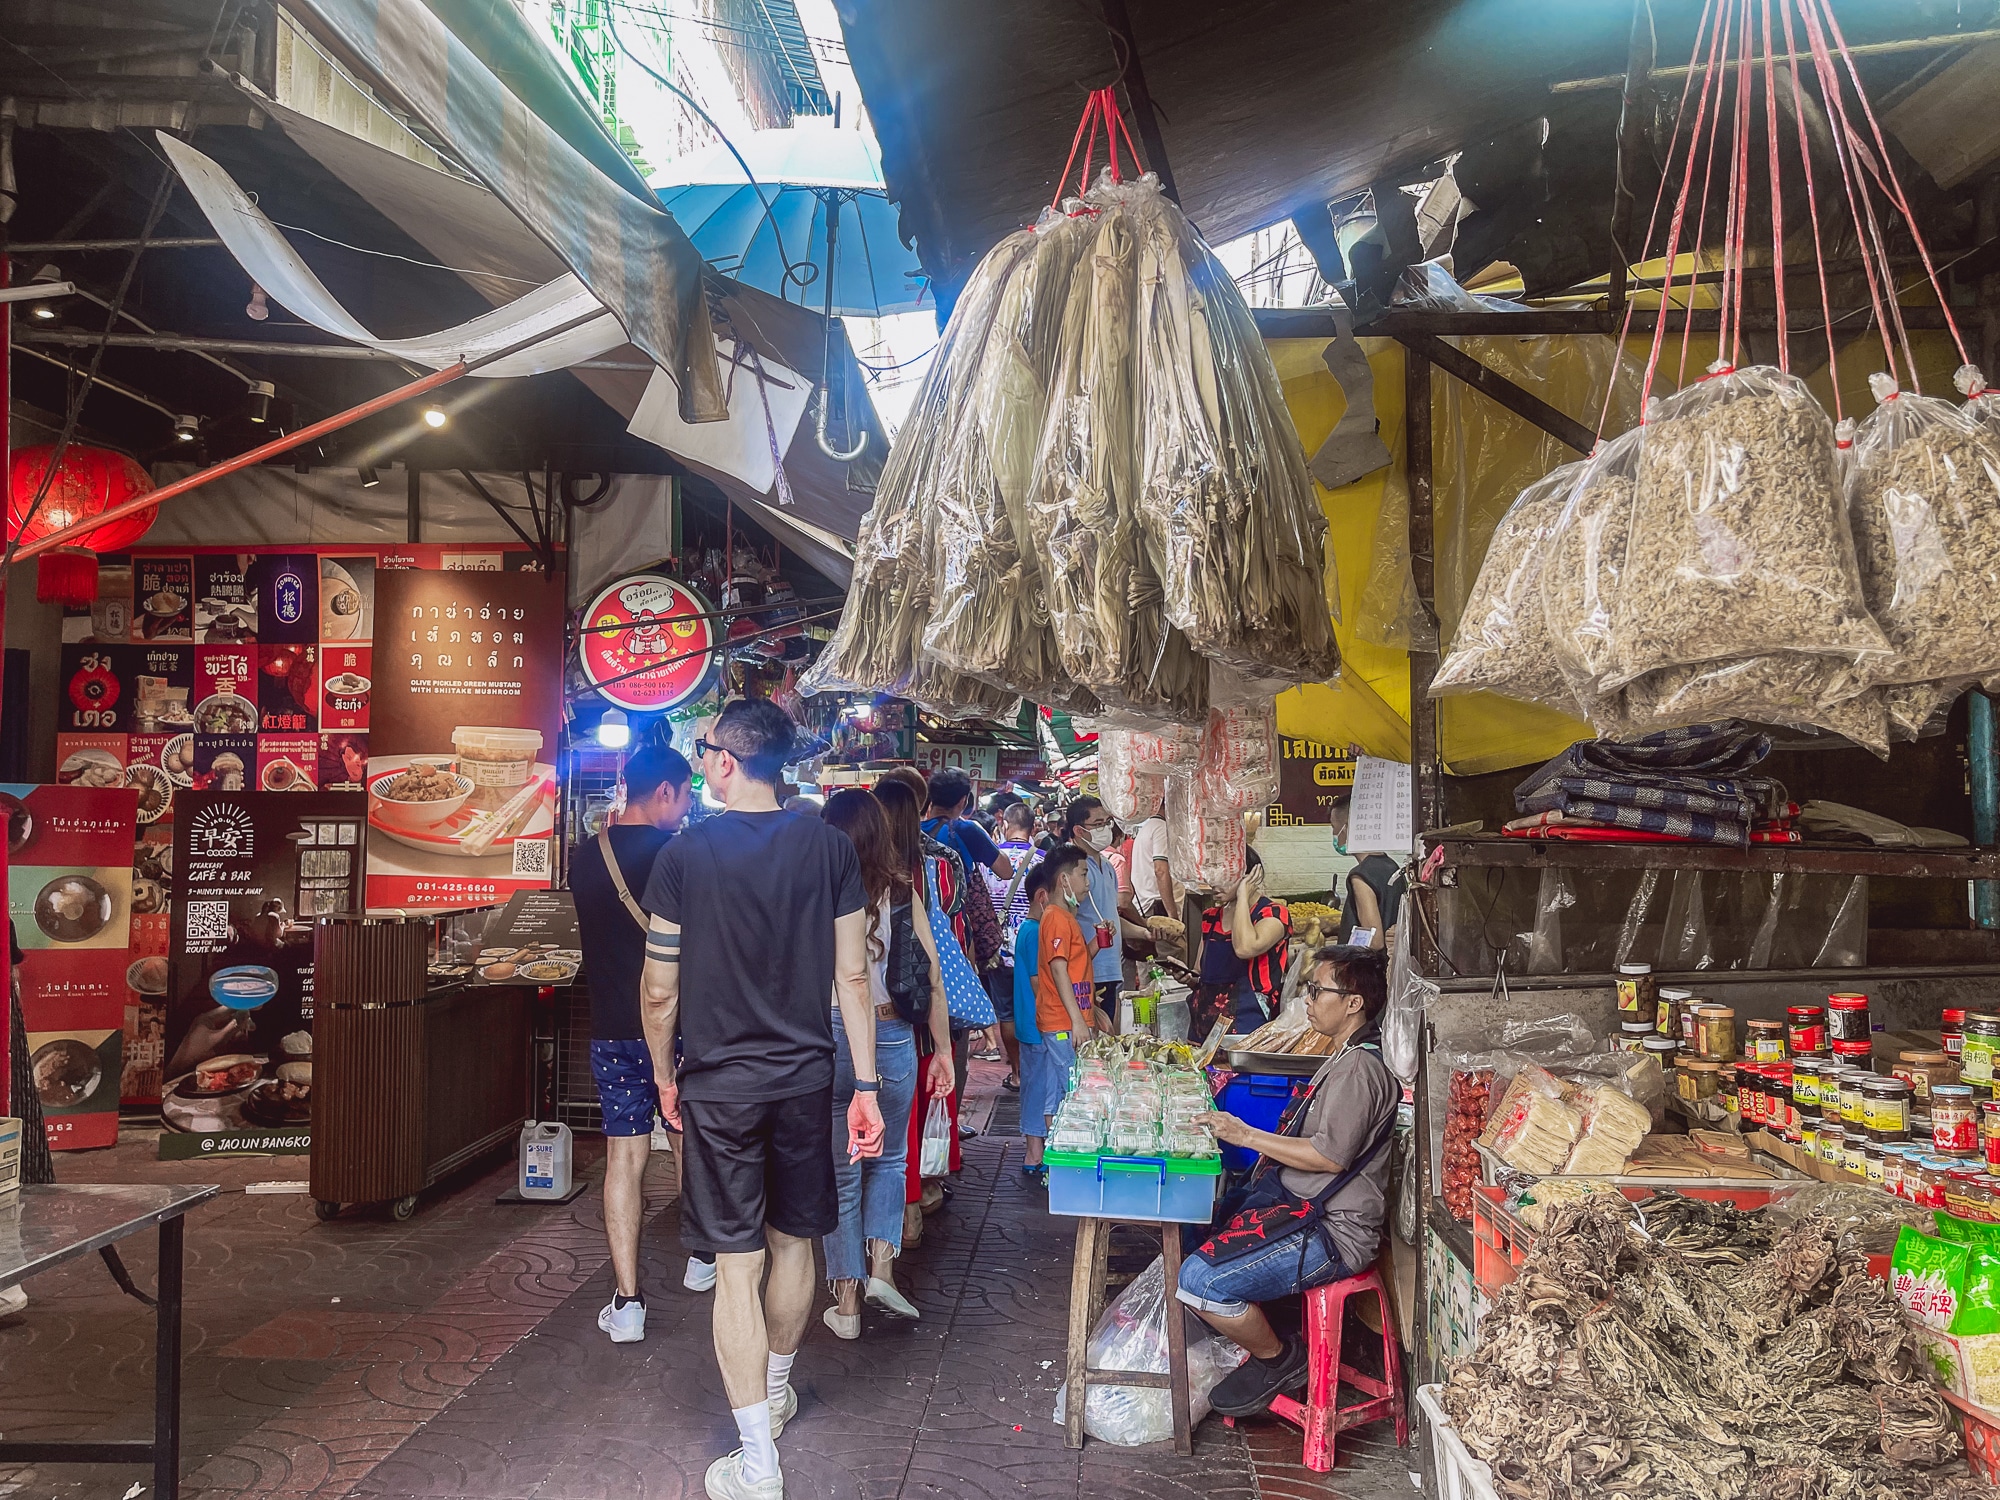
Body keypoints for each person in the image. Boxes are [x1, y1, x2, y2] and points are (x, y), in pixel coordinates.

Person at [638, 699, 883, 1500]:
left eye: (705, 747)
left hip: (718, 1088)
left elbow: (659, 989)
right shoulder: (829, 849)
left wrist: (664, 1074)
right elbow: (853, 976)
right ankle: (776, 1392)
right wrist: (869, 1085)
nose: (702, 758)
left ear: (723, 762)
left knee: (735, 1265)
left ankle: (758, 1461)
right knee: (793, 1244)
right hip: (807, 1080)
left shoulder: (683, 857)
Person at [1178, 946, 1398, 1417]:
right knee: (1206, 1227)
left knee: (1198, 1281)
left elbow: (1327, 1157)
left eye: (1318, 990)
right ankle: (1269, 1337)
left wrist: (1246, 1134)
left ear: (1354, 1002)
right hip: (1303, 1211)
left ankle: (1280, 1358)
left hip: (1333, 1231)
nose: (1310, 1000)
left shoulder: (1360, 1068)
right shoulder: (1345, 1057)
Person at [568, 745, 701, 1341]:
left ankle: (628, 1303)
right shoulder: (679, 856)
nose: (689, 804)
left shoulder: (583, 856)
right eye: (687, 792)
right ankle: (703, 1259)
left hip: (612, 1030)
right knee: (683, 1136)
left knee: (625, 1155)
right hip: (674, 1024)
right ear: (666, 791)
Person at [817, 790, 953, 1340]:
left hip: (826, 1033)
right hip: (892, 1031)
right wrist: (943, 1051)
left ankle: (845, 1304)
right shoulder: (902, 891)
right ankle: (882, 1272)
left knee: (841, 1170)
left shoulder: (814, 888)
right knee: (891, 1158)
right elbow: (934, 977)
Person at [1059, 798, 1149, 1032]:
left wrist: (1145, 933)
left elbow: (1112, 918)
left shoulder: (1108, 866)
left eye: (1108, 822)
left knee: (1106, 1039)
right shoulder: (1073, 870)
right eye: (1098, 823)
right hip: (1086, 970)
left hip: (1111, 969)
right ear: (1079, 830)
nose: (1106, 828)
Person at [1033, 846, 1094, 1157]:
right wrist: (1078, 1020)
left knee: (1057, 1088)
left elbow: (1073, 968)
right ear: (1064, 880)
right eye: (1083, 874)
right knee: (1072, 1087)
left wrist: (1095, 944)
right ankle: (1065, 1154)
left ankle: (1053, 1155)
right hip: (1061, 1021)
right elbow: (1058, 969)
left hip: (1065, 1018)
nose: (1087, 882)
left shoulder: (1064, 918)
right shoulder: (1057, 918)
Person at [1193, 854, 1292, 1042]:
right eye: (1211, 876)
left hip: (1249, 1022)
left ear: (1249, 876)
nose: (1214, 884)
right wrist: (1187, 977)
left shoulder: (1273, 914)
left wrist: (1243, 896)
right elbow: (1199, 970)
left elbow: (1245, 948)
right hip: (1205, 1023)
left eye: (1223, 877)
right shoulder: (1210, 917)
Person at [985, 802, 1042, 1090]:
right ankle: (1035, 1072)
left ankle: (1017, 1073)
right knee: (1035, 1008)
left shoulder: (990, 860)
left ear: (1004, 825)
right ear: (1033, 828)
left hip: (998, 950)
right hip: (1034, 948)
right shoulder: (1044, 861)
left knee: (1006, 1012)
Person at [1012, 861, 1059, 1182]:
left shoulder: (1030, 930)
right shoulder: (1034, 933)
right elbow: (1037, 983)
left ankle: (1036, 1151)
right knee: (1040, 1090)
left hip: (1033, 1023)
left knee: (1038, 1087)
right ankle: (1035, 1152)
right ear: (1043, 897)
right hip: (1038, 1024)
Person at [1327, 794, 1407, 951]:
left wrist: (1338, 954)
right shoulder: (1392, 866)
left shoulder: (1360, 876)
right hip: (1390, 966)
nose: (1334, 834)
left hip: (1368, 971)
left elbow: (1374, 940)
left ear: (1349, 828)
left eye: (1334, 826)